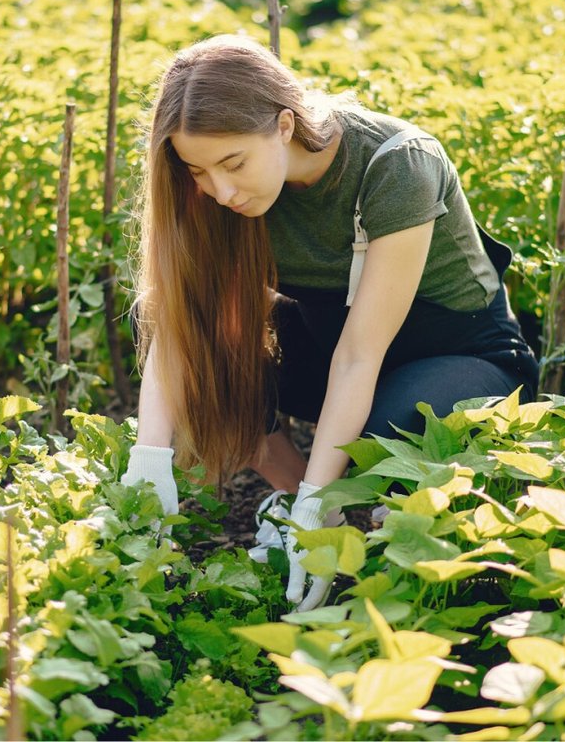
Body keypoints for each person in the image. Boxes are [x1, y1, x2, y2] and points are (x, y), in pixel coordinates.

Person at [120, 34, 538, 611]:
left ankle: (374, 517)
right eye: (197, 170)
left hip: (455, 356)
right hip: (332, 341)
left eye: (233, 163)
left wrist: (325, 495)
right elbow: (180, 323)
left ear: (285, 126)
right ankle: (299, 505)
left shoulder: (395, 165)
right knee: (172, 316)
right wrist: (149, 462)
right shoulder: (222, 194)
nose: (220, 190)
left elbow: (359, 356)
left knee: (392, 435)